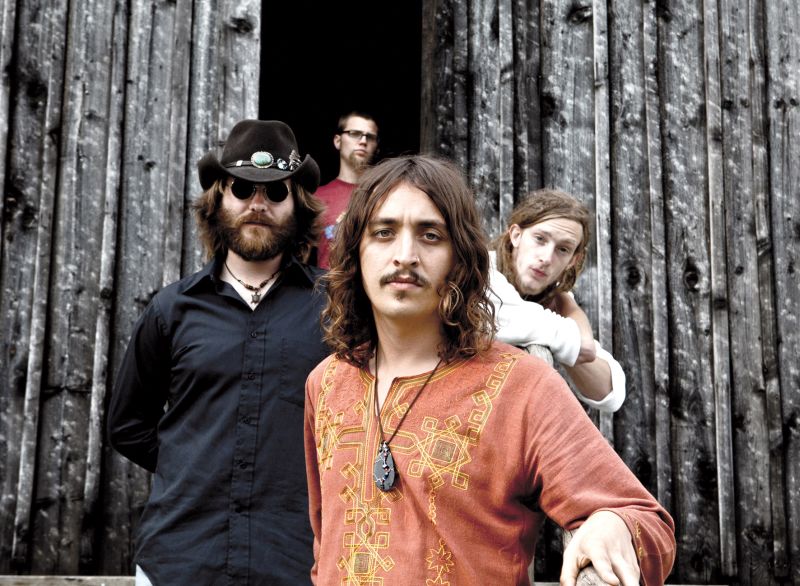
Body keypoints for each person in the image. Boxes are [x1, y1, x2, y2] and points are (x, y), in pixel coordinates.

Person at [304, 155, 675, 585]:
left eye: (430, 235)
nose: (405, 256)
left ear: (460, 257)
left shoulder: (522, 387)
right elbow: (324, 542)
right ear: (356, 251)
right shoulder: (326, 383)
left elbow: (645, 521)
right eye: (383, 233)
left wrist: (611, 525)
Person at [108, 120, 329, 585]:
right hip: (181, 560)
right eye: (243, 188)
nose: (258, 204)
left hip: (296, 562)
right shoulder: (172, 309)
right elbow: (127, 426)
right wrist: (192, 464)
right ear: (218, 200)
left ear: (298, 205)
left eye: (276, 192)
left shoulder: (334, 309)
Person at [491, 189, 626, 412]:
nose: (546, 258)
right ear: (516, 235)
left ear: (573, 259)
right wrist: (573, 328)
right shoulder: (479, 272)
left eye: (563, 249)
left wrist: (565, 304)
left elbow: (610, 393)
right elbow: (498, 315)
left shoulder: (549, 302)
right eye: (540, 239)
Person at [315, 110, 380, 268]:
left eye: (370, 137)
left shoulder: (384, 195)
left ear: (377, 146)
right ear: (338, 141)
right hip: (326, 282)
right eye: (354, 133)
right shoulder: (316, 197)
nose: (363, 141)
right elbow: (301, 256)